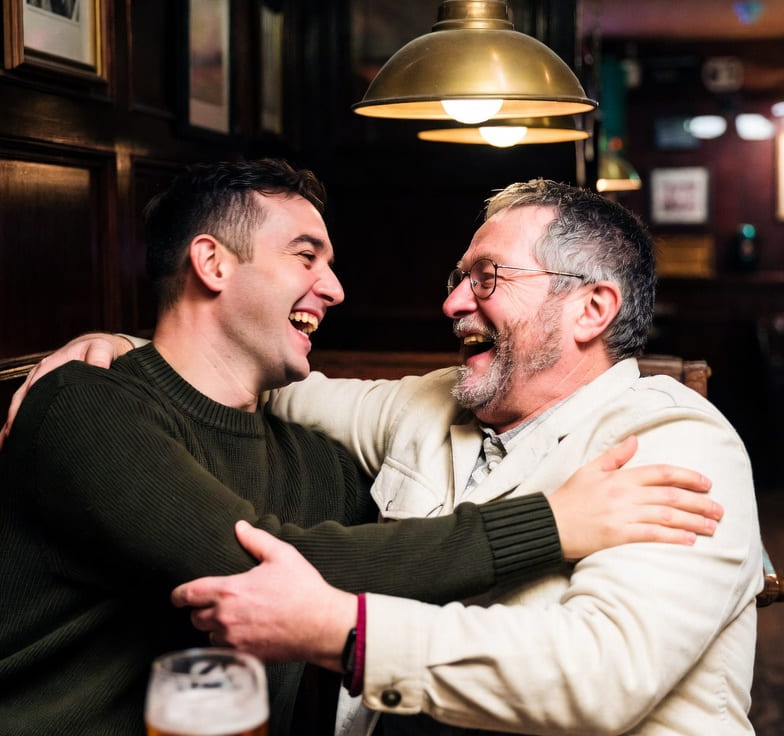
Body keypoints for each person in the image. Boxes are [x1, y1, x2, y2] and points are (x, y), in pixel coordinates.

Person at [0, 161, 722, 736]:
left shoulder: (668, 441)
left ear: (593, 309)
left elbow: (601, 675)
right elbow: (253, 565)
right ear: (213, 265)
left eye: (488, 277)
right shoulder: (84, 401)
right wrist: (552, 522)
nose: (338, 289)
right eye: (307, 255)